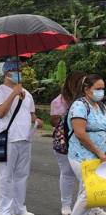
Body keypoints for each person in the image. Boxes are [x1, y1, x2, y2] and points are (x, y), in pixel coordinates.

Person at [0, 60, 43, 215]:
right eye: (17, 70)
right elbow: (0, 113)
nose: (20, 73)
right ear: (8, 73)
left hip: (25, 138)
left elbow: (31, 115)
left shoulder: (28, 95)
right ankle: (6, 211)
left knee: (22, 175)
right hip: (9, 139)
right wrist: (14, 93)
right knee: (6, 177)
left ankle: (20, 208)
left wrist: (37, 121)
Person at [67, 74, 106, 215]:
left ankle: (94, 210)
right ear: (87, 89)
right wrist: (99, 152)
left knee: (95, 188)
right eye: (98, 88)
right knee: (88, 192)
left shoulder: (100, 106)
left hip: (99, 155)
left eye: (103, 88)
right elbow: (80, 133)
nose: (101, 91)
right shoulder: (79, 106)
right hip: (82, 155)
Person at [50, 71, 85, 215]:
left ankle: (89, 205)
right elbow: (53, 121)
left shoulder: (87, 99)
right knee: (67, 173)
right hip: (65, 143)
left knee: (87, 176)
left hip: (84, 143)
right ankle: (66, 205)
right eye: (82, 82)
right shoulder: (59, 101)